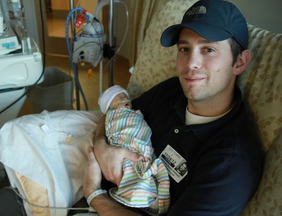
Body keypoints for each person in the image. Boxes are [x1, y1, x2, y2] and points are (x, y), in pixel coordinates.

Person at [83, 0, 264, 215]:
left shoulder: (231, 162)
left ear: (239, 63)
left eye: (208, 49)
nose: (190, 63)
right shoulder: (172, 90)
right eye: (184, 49)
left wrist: (93, 193)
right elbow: (118, 112)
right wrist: (101, 146)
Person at [97, 85, 170, 215]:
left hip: (141, 147)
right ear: (109, 106)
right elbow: (109, 121)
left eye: (125, 96)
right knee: (134, 170)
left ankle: (146, 197)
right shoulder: (115, 115)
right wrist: (100, 145)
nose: (125, 98)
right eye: (119, 97)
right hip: (127, 146)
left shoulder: (131, 111)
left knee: (143, 168)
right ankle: (141, 197)